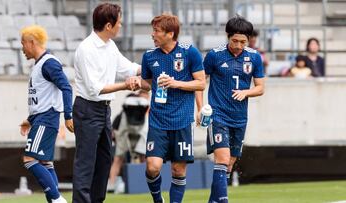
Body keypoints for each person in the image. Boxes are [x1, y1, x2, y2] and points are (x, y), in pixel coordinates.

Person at [72, 3, 143, 203]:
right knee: (85, 163)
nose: (121, 25)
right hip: (87, 109)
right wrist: (126, 86)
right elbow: (96, 88)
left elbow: (128, 68)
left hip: (104, 111)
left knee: (103, 162)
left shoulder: (110, 46)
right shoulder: (86, 49)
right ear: (109, 25)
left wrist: (154, 66)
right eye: (119, 22)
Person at [141, 14, 206, 203]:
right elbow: (148, 83)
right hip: (158, 120)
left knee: (178, 169)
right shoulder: (149, 55)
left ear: (170, 34)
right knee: (152, 167)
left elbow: (201, 83)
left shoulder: (190, 53)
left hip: (183, 120)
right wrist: (136, 82)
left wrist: (175, 83)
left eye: (156, 31)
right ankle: (157, 199)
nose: (152, 35)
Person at [201, 15, 265, 203]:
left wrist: (246, 92)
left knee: (229, 164)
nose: (238, 45)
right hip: (218, 114)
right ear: (228, 36)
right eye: (234, 40)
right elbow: (200, 82)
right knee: (222, 159)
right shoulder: (214, 55)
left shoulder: (254, 57)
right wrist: (201, 107)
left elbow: (260, 88)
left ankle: (213, 201)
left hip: (239, 117)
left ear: (249, 40)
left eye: (243, 41)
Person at [19, 25, 73, 203]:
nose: (22, 48)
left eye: (23, 44)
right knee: (45, 163)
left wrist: (68, 115)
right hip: (41, 119)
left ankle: (57, 199)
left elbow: (66, 87)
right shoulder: (39, 64)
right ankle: (54, 200)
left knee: (29, 159)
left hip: (47, 119)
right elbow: (41, 99)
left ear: (32, 42)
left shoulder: (49, 63)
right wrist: (29, 120)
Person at [107, 90, 150, 194]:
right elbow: (114, 127)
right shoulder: (127, 108)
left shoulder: (147, 110)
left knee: (144, 159)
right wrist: (115, 138)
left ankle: (146, 184)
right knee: (118, 160)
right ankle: (111, 186)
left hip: (141, 135)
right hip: (124, 135)